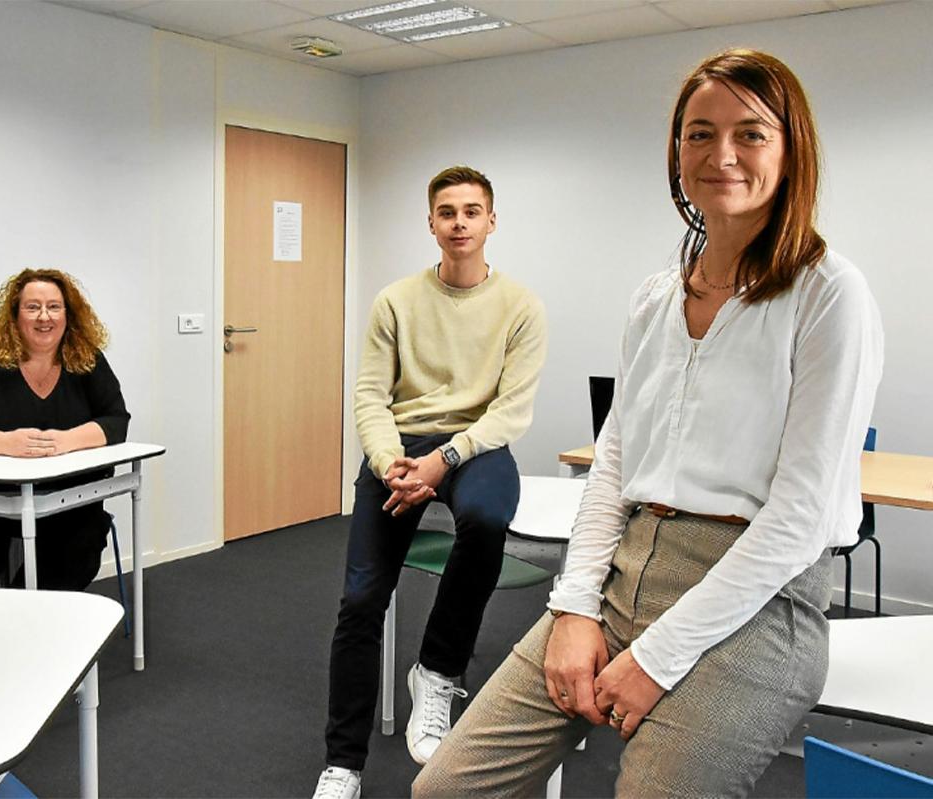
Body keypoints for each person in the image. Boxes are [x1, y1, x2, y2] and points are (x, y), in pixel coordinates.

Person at [412, 49, 884, 798]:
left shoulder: (830, 295)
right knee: (443, 788)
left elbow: (797, 519)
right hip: (625, 566)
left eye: (751, 134)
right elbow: (614, 465)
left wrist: (656, 656)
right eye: (699, 134)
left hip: (758, 602)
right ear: (676, 150)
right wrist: (572, 607)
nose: (720, 154)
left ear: (792, 151)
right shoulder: (655, 298)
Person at [313, 166, 548, 799]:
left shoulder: (520, 306)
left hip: (474, 446)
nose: (460, 223)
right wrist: (391, 461)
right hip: (399, 449)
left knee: (487, 520)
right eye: (448, 212)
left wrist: (445, 459)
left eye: (472, 212)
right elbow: (369, 394)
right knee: (361, 602)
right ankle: (343, 764)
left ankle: (437, 670)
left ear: (491, 221)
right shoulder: (396, 300)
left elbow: (510, 411)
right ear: (432, 224)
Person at [0, 268, 130, 590]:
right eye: (32, 307)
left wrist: (67, 441)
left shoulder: (87, 359)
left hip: (68, 499)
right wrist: (6, 443)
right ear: (15, 315)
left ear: (68, 314)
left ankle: (28, 614)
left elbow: (117, 420)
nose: (44, 317)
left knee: (80, 543)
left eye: (54, 306)